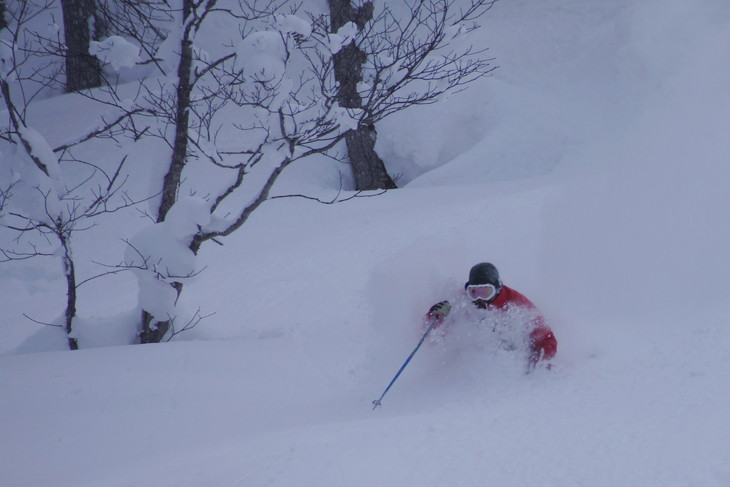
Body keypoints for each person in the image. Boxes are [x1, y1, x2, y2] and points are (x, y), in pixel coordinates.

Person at [426, 262, 557, 368]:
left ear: (498, 288)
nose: (479, 298)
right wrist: (434, 317)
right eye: (474, 292)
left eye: (485, 292)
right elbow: (431, 336)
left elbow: (547, 338)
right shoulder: (461, 301)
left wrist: (539, 361)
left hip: (510, 357)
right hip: (473, 362)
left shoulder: (516, 304)